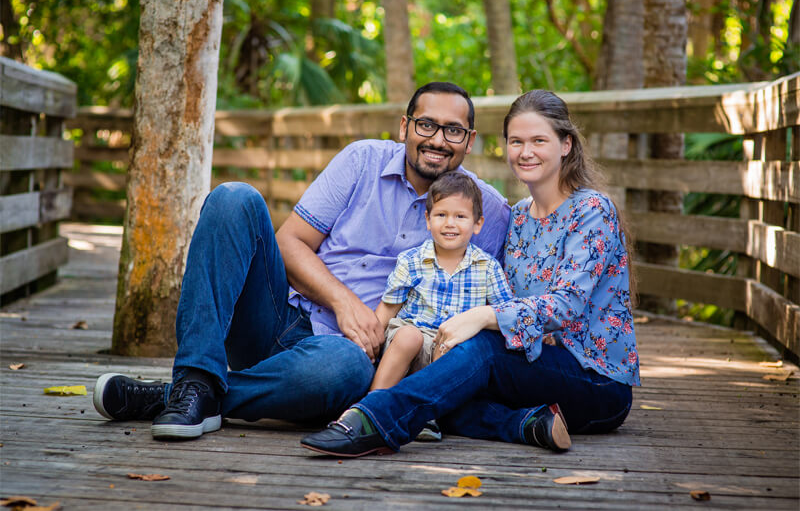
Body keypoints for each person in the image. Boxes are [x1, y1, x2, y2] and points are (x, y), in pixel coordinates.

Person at [91, 82, 511, 440]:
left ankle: (185, 395)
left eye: (453, 130)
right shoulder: (360, 160)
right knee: (234, 198)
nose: (438, 140)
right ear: (405, 127)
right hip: (282, 319)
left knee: (341, 368)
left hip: (353, 362)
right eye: (426, 124)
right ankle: (195, 376)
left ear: (470, 141)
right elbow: (290, 242)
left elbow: (507, 292)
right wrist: (344, 303)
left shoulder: (487, 211)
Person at [300, 89, 640, 458]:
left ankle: (372, 418)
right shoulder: (519, 217)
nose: (526, 152)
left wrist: (483, 316)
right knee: (444, 380)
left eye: (539, 141)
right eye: (516, 141)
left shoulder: (592, 209)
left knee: (480, 352)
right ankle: (528, 425)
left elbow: (567, 304)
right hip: (532, 363)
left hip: (594, 378)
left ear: (565, 145)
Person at [371, 171, 513, 440]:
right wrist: (369, 344)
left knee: (451, 344)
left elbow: (504, 313)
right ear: (427, 220)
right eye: (441, 215)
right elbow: (387, 309)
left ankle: (427, 417)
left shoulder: (487, 267)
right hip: (410, 342)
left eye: (460, 216)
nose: (450, 223)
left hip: (450, 349)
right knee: (409, 336)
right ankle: (370, 407)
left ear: (477, 224)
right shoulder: (411, 261)